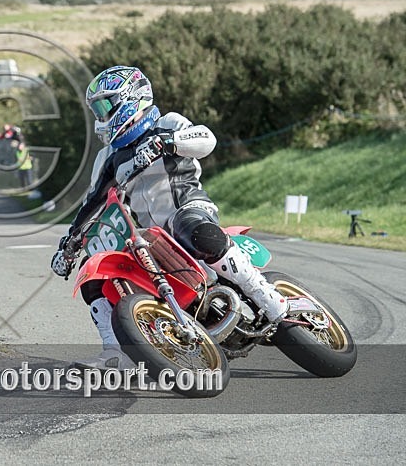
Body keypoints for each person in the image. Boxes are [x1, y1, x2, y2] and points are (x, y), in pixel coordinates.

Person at [50, 65, 292, 371]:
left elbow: (206, 140)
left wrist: (168, 142)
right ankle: (117, 351)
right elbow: (93, 201)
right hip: (152, 236)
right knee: (95, 274)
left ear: (130, 98)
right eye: (97, 108)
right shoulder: (108, 155)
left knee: (194, 230)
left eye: (106, 105)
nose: (101, 115)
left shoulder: (168, 122)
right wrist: (69, 244)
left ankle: (268, 297)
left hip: (189, 209)